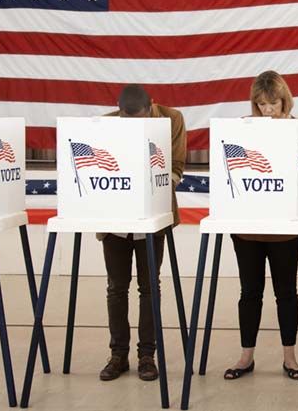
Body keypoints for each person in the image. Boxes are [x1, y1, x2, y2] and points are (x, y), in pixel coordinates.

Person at [223, 71, 298, 381]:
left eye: (274, 103)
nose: (268, 110)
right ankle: (246, 356)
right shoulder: (242, 128)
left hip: (284, 230)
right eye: (262, 104)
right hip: (248, 229)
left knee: (286, 293)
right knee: (249, 293)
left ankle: (290, 357)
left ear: (285, 101)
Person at [99, 85, 186, 382]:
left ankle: (147, 355)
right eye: (127, 121)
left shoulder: (172, 119)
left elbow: (176, 167)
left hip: (152, 217)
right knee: (116, 287)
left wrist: (154, 187)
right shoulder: (105, 124)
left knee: (150, 287)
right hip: (116, 221)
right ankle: (118, 354)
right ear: (119, 110)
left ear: (151, 107)